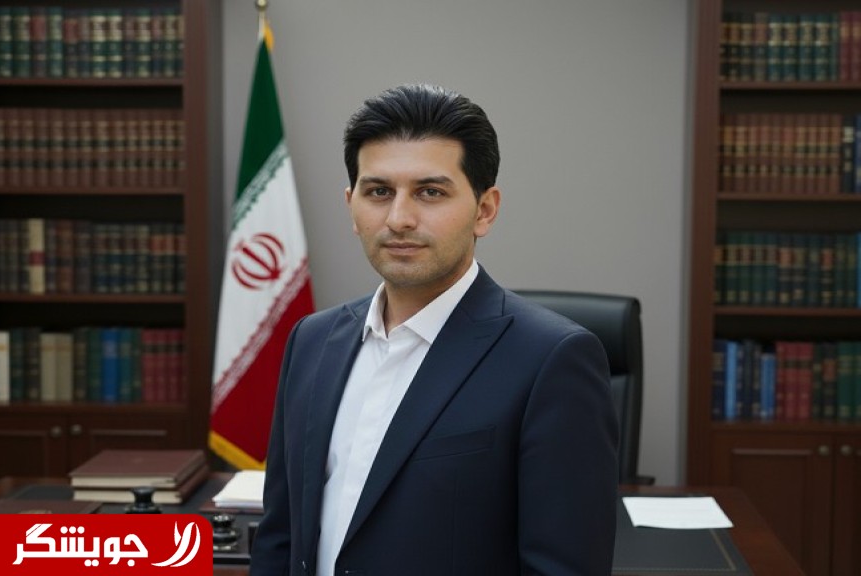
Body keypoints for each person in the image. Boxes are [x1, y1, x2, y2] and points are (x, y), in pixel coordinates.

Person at [249, 83, 618, 576]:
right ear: (352, 206)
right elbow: (281, 535)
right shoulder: (311, 341)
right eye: (379, 192)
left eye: (430, 192)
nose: (399, 218)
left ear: (484, 210)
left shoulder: (553, 359)